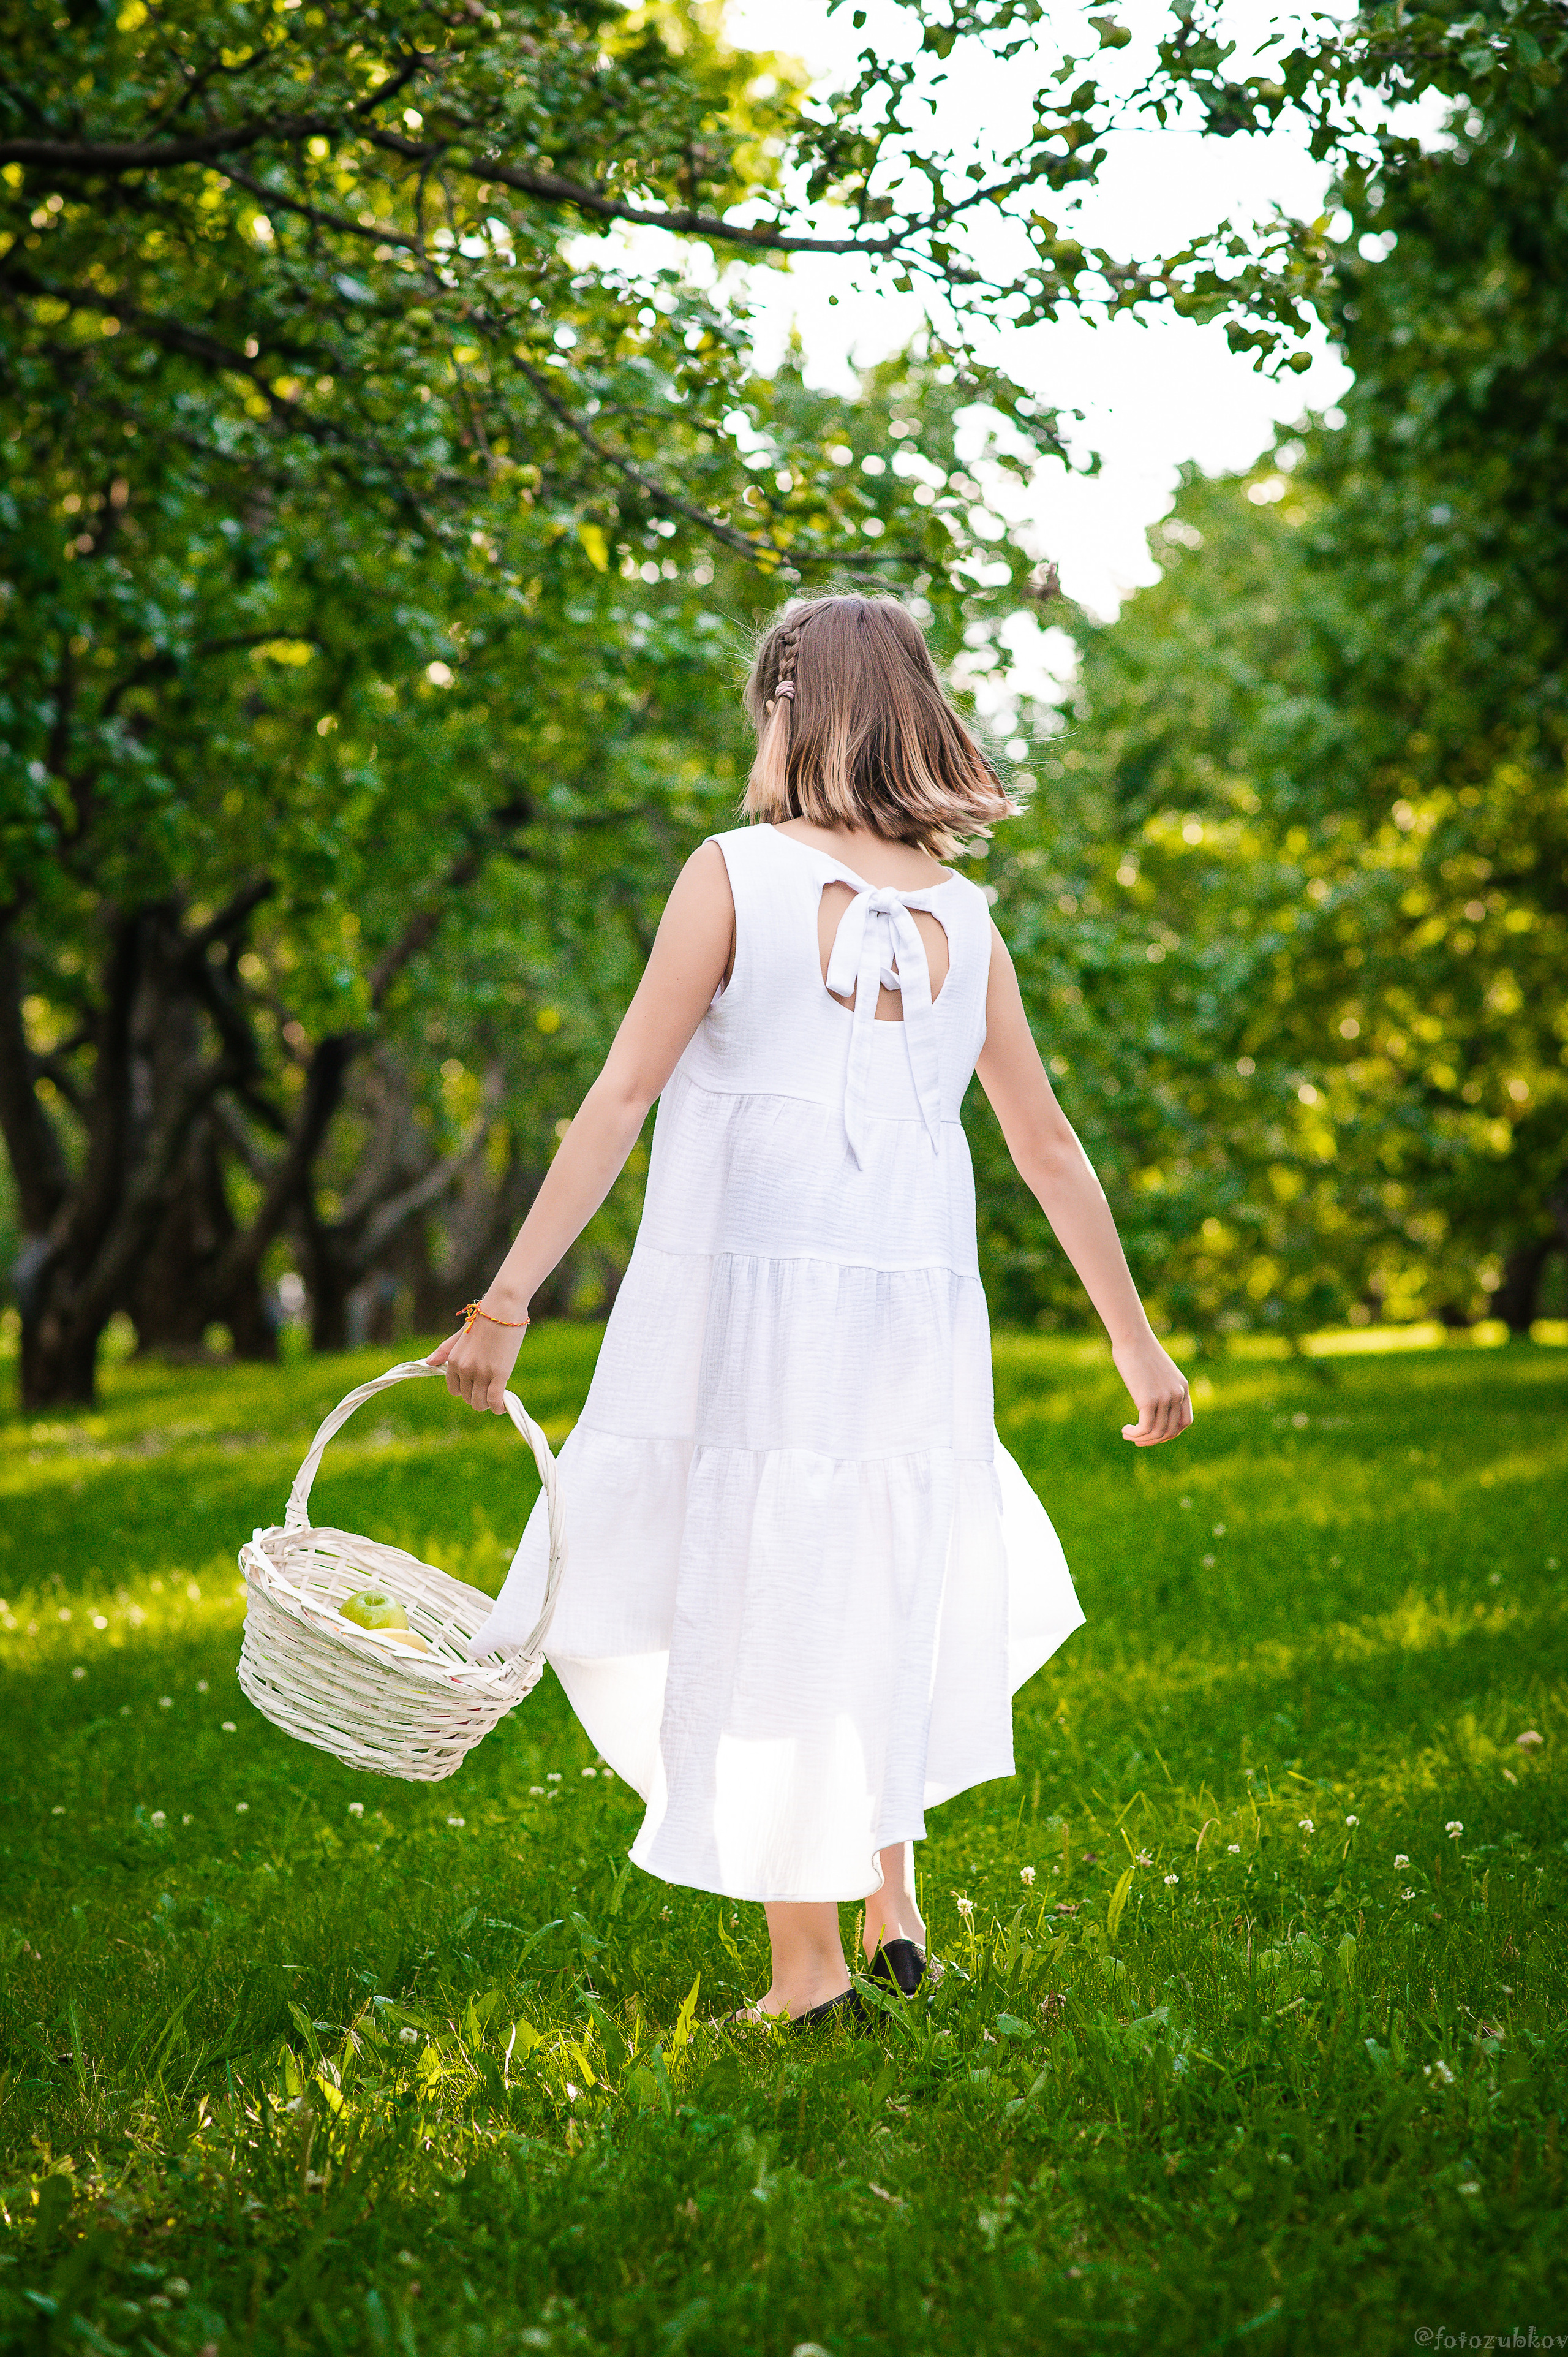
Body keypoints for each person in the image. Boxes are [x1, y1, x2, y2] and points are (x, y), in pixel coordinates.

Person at [432, 592, 1192, 2028]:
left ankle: (808, 1972)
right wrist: (1130, 1335)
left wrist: (504, 1296)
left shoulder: (732, 872)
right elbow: (1045, 1147)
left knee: (764, 1584)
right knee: (876, 1571)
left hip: (758, 1304)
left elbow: (621, 1097)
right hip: (912, 1310)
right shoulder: (965, 917)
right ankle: (891, 1892)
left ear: (788, 705)